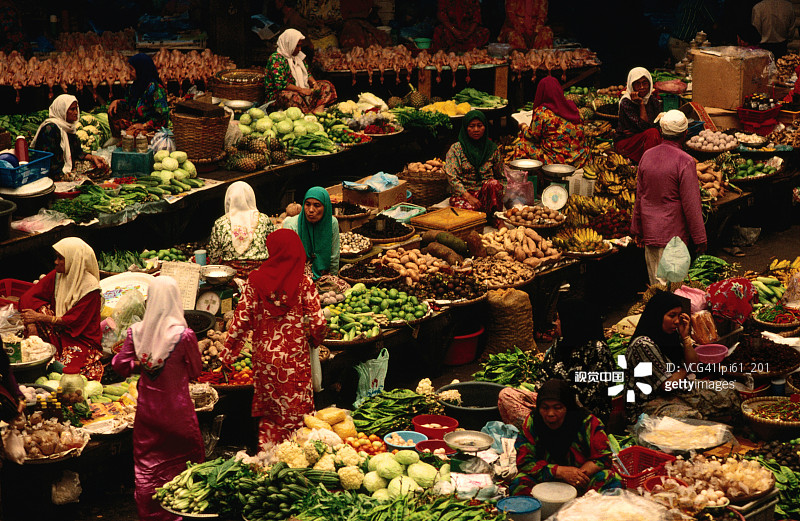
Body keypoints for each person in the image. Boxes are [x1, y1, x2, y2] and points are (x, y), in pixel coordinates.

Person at [220, 229, 327, 448]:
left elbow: (240, 322)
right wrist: (314, 340)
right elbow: (318, 323)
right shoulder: (303, 282)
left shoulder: (255, 280)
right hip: (294, 362)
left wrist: (227, 355)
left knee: (271, 414)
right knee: (296, 413)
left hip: (265, 361)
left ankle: (269, 455)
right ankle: (296, 456)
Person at [112, 276, 204, 521]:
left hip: (147, 415)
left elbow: (119, 364)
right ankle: (184, 514)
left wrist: (142, 365)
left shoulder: (136, 332)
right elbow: (196, 370)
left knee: (147, 467)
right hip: (178, 413)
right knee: (185, 465)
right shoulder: (184, 335)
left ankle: (151, 515)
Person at [498, 298, 615, 429]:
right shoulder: (562, 343)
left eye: (559, 319)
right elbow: (543, 376)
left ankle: (543, 431)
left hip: (579, 418)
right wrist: (547, 402)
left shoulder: (597, 351)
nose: (556, 323)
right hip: (550, 405)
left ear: (573, 321)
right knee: (506, 395)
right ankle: (543, 428)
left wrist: (555, 406)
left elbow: (590, 402)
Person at [626, 291, 741, 421]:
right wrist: (686, 369)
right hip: (648, 404)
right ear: (657, 316)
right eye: (672, 316)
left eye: (679, 316)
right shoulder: (643, 344)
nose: (676, 321)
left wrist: (685, 337)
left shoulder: (670, 335)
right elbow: (668, 384)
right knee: (692, 417)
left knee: (730, 395)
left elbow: (694, 365)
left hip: (676, 392)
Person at [631, 110, 707, 285]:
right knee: (675, 291)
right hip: (674, 238)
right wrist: (700, 238)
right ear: (685, 134)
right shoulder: (685, 161)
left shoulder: (646, 156)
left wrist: (637, 228)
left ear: (661, 131)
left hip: (650, 233)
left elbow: (640, 196)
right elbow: (692, 205)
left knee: (656, 290)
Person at [509, 379, 621, 495]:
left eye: (557, 407)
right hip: (546, 480)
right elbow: (524, 462)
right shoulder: (533, 422)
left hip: (581, 480)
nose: (550, 414)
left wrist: (577, 476)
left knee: (610, 479)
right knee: (519, 483)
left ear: (567, 407)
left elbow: (603, 458)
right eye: (545, 408)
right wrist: (560, 472)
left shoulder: (587, 423)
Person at [19, 237, 104, 380]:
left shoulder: (90, 288)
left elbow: (74, 321)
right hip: (58, 329)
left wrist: (39, 317)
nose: (56, 262)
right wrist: (32, 325)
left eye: (60, 258)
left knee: (74, 372)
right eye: (56, 257)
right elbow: (28, 298)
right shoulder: (58, 275)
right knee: (39, 309)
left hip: (79, 336)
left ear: (74, 260)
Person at [512, 77, 590, 167]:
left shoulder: (542, 112)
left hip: (556, 160)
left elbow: (533, 136)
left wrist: (523, 127)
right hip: (579, 158)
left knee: (521, 145)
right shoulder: (574, 108)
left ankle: (527, 178)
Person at [282, 186, 348, 293]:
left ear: (325, 207)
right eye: (307, 204)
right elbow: (287, 263)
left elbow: (334, 256)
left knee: (342, 289)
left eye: (317, 205)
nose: (311, 210)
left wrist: (333, 279)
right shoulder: (291, 225)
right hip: (298, 276)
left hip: (322, 274)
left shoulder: (332, 223)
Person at [207, 181, 275, 276]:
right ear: (251, 198)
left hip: (230, 277)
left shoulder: (220, 223)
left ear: (228, 199)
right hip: (260, 275)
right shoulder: (264, 219)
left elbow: (214, 255)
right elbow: (274, 246)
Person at [31, 94, 107, 180]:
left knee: (101, 167)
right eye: (72, 109)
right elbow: (46, 160)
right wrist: (64, 175)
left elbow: (78, 152)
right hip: (51, 173)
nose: (76, 112)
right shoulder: (50, 129)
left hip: (67, 167)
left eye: (76, 108)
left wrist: (93, 157)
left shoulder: (69, 127)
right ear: (62, 110)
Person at [445, 110, 504, 214]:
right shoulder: (456, 149)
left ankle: (495, 215)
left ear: (485, 127)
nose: (476, 129)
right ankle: (489, 215)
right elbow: (452, 177)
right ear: (465, 128)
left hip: (485, 192)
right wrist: (468, 196)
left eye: (479, 125)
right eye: (472, 126)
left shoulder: (492, 149)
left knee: (494, 184)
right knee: (466, 212)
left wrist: (498, 195)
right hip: (465, 194)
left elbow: (501, 176)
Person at [265, 29, 337, 114]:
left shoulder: (298, 56)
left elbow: (308, 73)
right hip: (279, 95)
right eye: (297, 46)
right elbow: (281, 84)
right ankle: (306, 113)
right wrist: (301, 90)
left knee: (326, 85)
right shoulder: (276, 59)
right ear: (289, 44)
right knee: (292, 96)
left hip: (301, 90)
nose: (299, 49)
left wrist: (314, 84)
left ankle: (317, 110)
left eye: (300, 46)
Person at [108, 53, 169, 132]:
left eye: (132, 69)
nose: (129, 72)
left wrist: (144, 125)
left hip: (154, 132)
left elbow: (162, 115)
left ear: (141, 69)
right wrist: (117, 102)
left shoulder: (155, 89)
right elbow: (132, 105)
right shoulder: (135, 86)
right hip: (136, 128)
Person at [615, 67, 662, 164]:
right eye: (637, 83)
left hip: (645, 139)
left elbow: (658, 124)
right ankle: (649, 165)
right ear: (631, 85)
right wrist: (641, 104)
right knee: (652, 133)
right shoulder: (626, 102)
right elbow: (644, 126)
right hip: (627, 142)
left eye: (645, 83)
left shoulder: (653, 100)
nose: (642, 87)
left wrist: (637, 131)